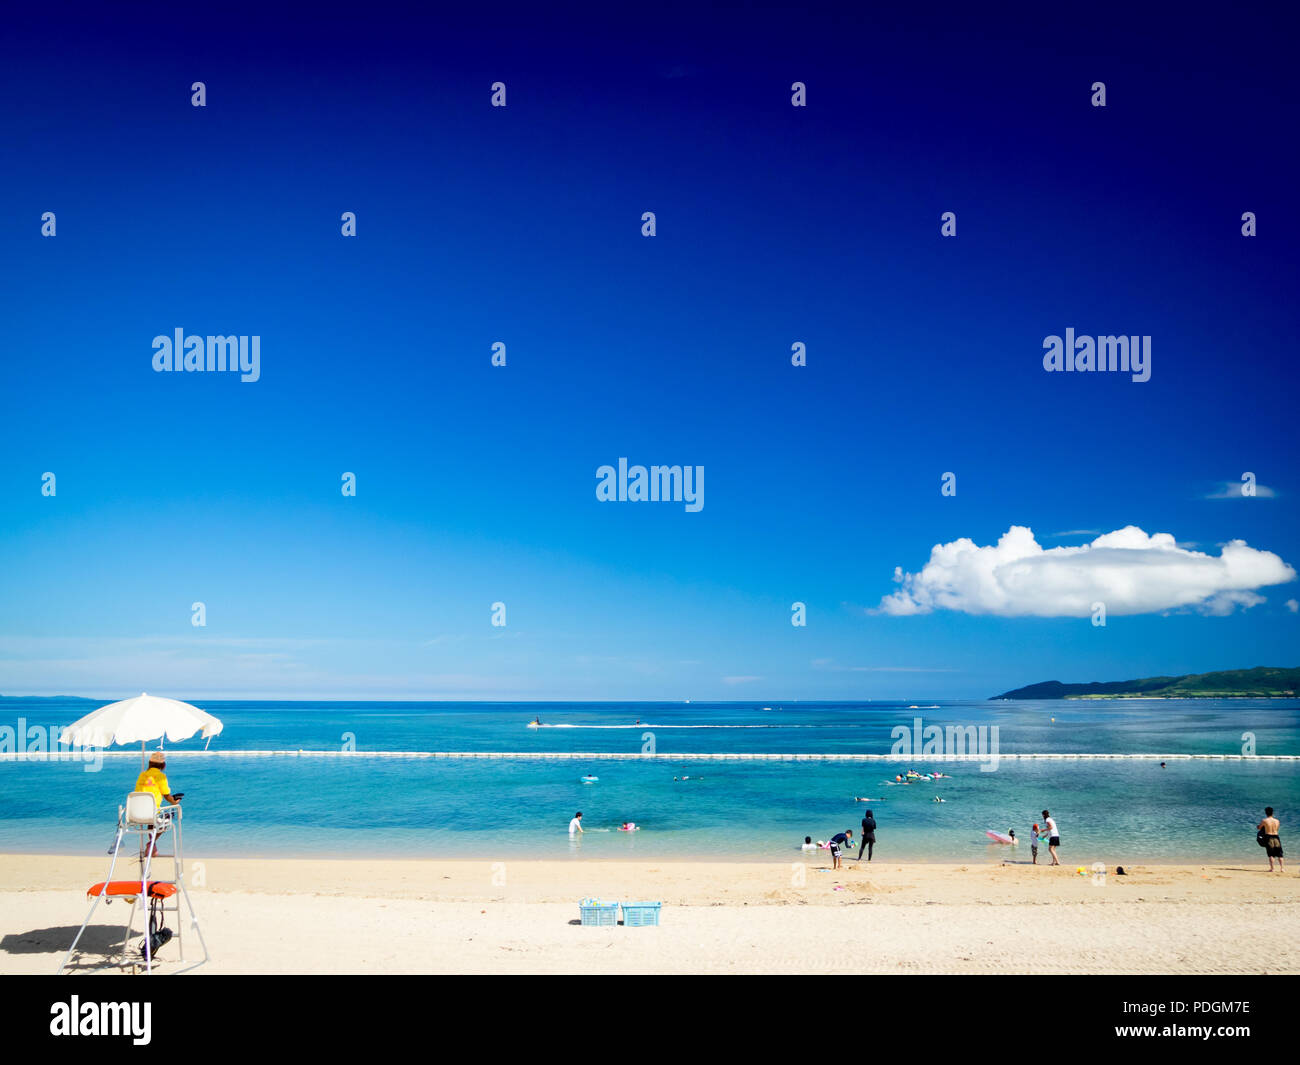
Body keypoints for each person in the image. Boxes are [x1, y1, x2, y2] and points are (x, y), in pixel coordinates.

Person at [134, 752, 181, 858]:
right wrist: (174, 802)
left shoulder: (142, 775)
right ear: (163, 765)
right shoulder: (161, 777)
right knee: (170, 814)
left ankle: (152, 845)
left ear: (150, 763)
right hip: (152, 813)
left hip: (136, 812)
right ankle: (151, 843)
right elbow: (166, 796)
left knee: (153, 817)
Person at [1257, 807, 1284, 872]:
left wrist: (1258, 827)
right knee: (1280, 854)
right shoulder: (1277, 821)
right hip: (1276, 836)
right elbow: (1277, 829)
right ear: (1272, 812)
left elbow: (1259, 827)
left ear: (1266, 813)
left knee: (1271, 854)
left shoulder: (1264, 820)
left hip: (1268, 837)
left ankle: (1272, 868)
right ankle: (1282, 868)